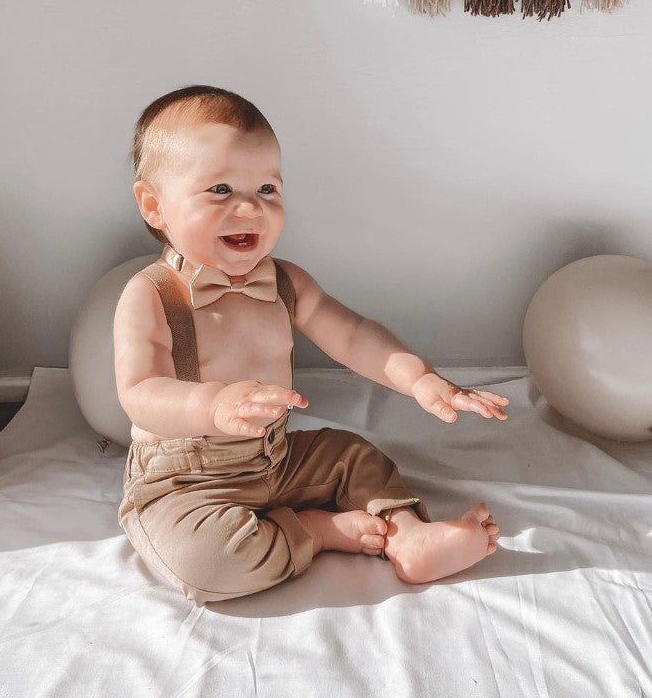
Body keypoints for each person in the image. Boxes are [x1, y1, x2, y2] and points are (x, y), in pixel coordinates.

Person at [114, 85, 509, 606]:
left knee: (351, 455)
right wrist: (214, 404)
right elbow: (140, 391)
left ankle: (409, 536)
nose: (250, 208)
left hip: (276, 458)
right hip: (187, 481)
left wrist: (421, 379)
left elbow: (352, 334)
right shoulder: (151, 295)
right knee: (206, 564)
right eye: (220, 190)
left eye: (268, 189)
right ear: (154, 205)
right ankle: (316, 532)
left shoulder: (285, 283)